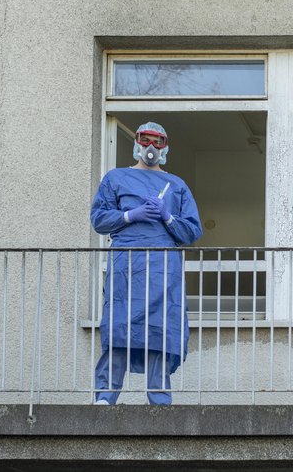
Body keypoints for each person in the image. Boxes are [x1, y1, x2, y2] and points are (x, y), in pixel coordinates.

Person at [90, 121, 202, 405]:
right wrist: (130, 216)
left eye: (158, 142)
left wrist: (168, 217)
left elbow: (192, 231)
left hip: (163, 270)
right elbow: (99, 219)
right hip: (127, 267)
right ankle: (105, 396)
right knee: (119, 327)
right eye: (146, 140)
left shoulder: (176, 186)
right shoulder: (115, 178)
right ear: (137, 143)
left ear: (165, 147)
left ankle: (159, 397)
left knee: (160, 331)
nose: (151, 147)